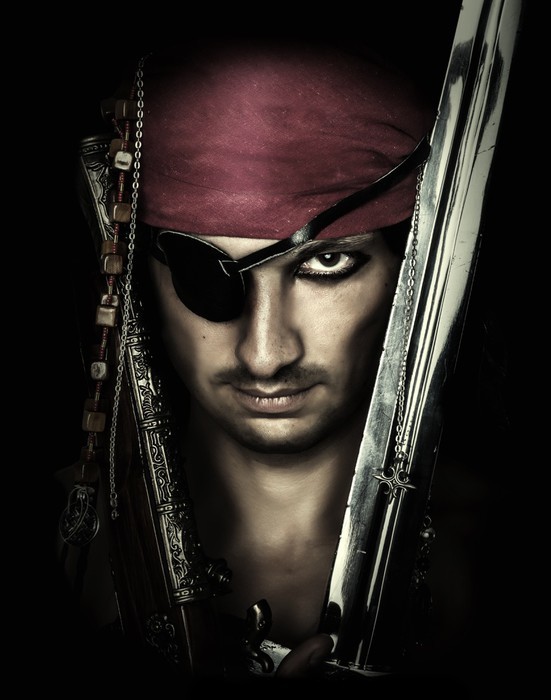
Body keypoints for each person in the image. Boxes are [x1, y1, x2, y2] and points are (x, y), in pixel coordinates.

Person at [49, 34, 514, 693]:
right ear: (137, 277)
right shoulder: (55, 543)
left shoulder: (507, 554)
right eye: (199, 270)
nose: (265, 353)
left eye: (327, 262)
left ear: (409, 274)